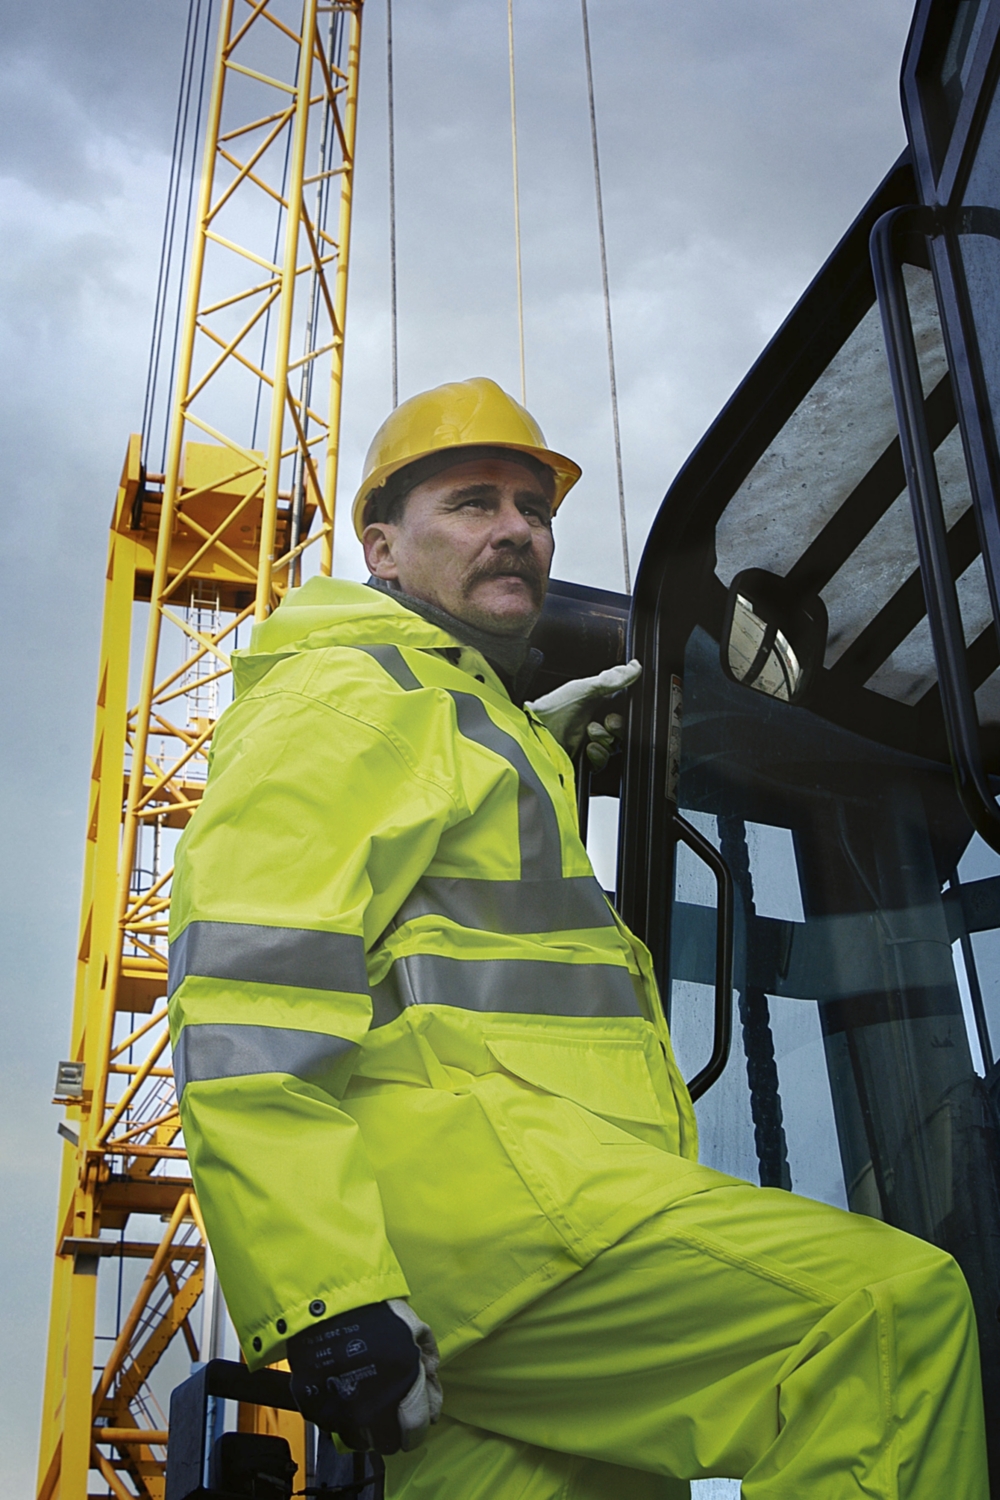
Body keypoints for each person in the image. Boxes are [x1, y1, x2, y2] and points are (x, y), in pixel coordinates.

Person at [168, 377, 988, 1499]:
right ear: (382, 550)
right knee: (879, 1320)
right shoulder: (350, 694)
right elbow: (249, 999)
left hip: (478, 1261)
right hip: (502, 1224)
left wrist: (536, 740)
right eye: (469, 502)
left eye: (531, 508)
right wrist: (324, 1290)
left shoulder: (450, 718)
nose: (514, 530)